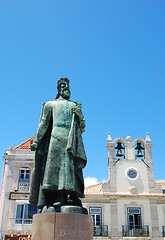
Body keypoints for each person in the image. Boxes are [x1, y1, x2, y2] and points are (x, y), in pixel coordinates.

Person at [29, 78, 87, 212]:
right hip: (55, 137)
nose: (66, 87)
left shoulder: (75, 106)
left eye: (67, 85)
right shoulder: (50, 104)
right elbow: (44, 124)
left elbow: (82, 127)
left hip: (72, 140)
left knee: (70, 169)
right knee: (54, 169)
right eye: (62, 85)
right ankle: (55, 196)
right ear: (58, 89)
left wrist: (80, 115)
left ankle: (70, 195)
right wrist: (37, 141)